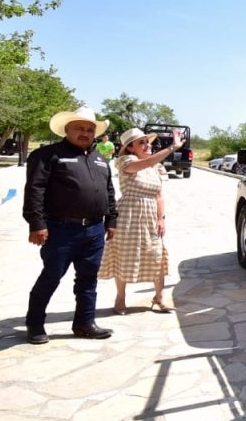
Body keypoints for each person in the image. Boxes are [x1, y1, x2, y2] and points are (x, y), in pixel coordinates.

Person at [23, 106, 117, 344]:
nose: (85, 133)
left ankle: (85, 323)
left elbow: (109, 191)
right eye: (79, 128)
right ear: (66, 130)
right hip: (60, 230)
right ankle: (34, 324)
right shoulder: (47, 155)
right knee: (51, 277)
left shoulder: (100, 159)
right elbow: (35, 190)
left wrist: (111, 220)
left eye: (90, 129)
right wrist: (37, 223)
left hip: (94, 230)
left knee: (88, 279)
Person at [98, 126, 183, 314]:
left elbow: (159, 196)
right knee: (124, 255)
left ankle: (159, 296)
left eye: (147, 142)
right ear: (130, 147)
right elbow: (145, 163)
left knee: (156, 255)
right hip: (129, 214)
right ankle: (121, 298)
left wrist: (161, 218)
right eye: (141, 143)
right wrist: (172, 147)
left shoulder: (155, 167)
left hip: (150, 215)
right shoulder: (126, 161)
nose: (147, 145)